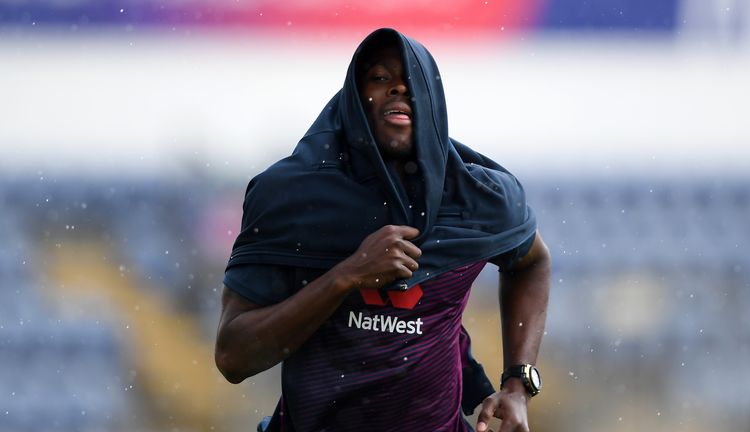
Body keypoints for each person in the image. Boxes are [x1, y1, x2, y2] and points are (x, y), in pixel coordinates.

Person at [215, 28, 550, 432]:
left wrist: (518, 382)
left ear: (432, 102)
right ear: (355, 100)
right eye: (379, 78)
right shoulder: (292, 198)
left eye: (412, 82)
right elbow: (233, 357)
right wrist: (347, 275)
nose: (397, 89)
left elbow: (531, 263)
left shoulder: (476, 196)